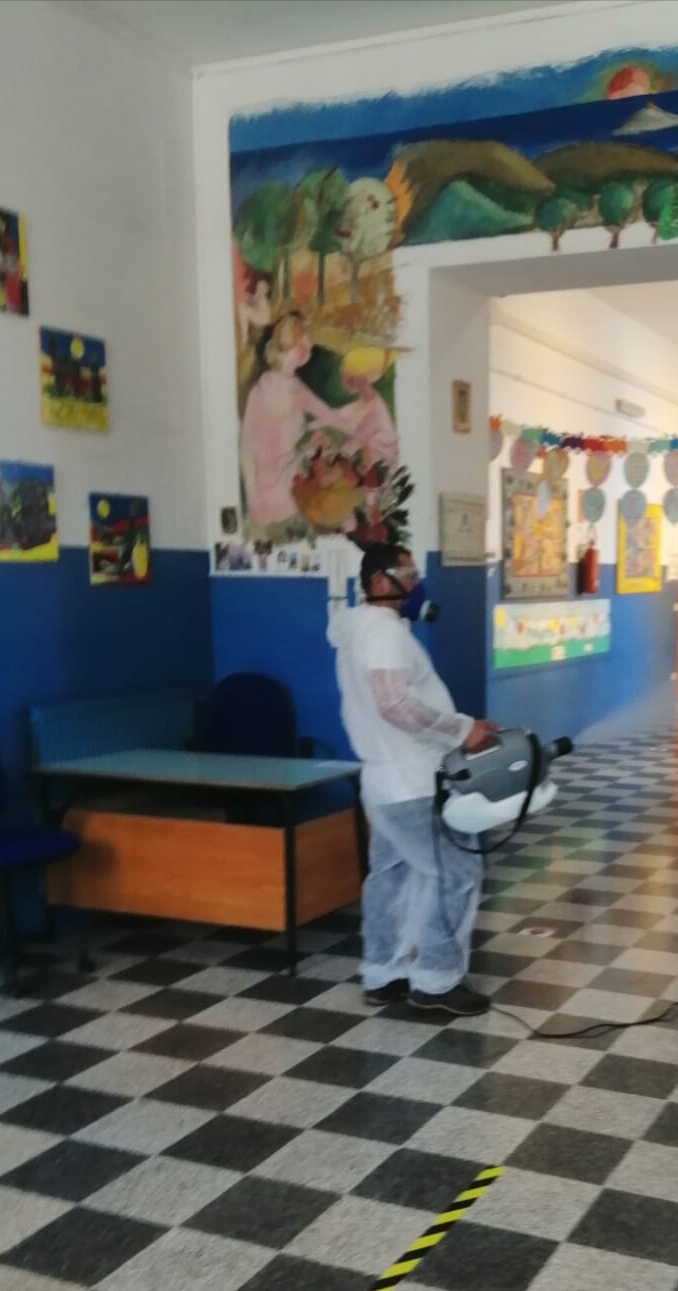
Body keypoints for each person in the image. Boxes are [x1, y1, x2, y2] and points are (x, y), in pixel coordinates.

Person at [328, 543, 499, 1016]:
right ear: (378, 582)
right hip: (410, 782)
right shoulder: (383, 632)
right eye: (408, 574)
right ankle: (437, 981)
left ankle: (383, 972)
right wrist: (463, 730)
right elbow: (395, 704)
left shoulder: (358, 626)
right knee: (457, 871)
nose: (417, 582)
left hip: (384, 781)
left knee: (392, 874)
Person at [239, 312, 363, 528]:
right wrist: (254, 500)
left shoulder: (267, 388)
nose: (310, 345)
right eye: (305, 339)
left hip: (276, 481)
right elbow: (247, 448)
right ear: (294, 348)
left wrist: (352, 419)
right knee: (328, 460)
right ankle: (342, 513)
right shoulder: (285, 390)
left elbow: (327, 416)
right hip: (281, 487)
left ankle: (343, 513)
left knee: (323, 445)